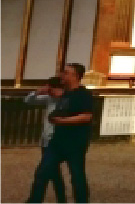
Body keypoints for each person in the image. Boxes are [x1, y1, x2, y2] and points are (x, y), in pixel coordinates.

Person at [28, 63, 95, 203]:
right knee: (42, 173)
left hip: (75, 143)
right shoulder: (64, 94)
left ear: (75, 76)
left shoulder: (84, 95)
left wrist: (62, 121)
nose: (62, 75)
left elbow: (86, 116)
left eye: (65, 73)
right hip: (57, 142)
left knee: (77, 176)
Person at [24, 76, 67, 203]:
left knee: (41, 173)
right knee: (54, 174)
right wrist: (38, 92)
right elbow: (28, 100)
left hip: (56, 141)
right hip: (46, 141)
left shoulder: (66, 100)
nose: (50, 92)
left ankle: (34, 200)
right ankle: (62, 199)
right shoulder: (49, 99)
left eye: (51, 89)